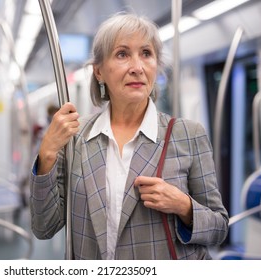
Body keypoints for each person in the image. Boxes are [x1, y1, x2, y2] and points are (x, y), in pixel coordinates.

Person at [29, 12, 229, 260]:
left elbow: (219, 229)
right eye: (122, 54)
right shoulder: (74, 137)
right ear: (99, 71)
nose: (137, 68)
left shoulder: (188, 134)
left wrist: (183, 206)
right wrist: (47, 154)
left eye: (146, 53)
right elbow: (44, 228)